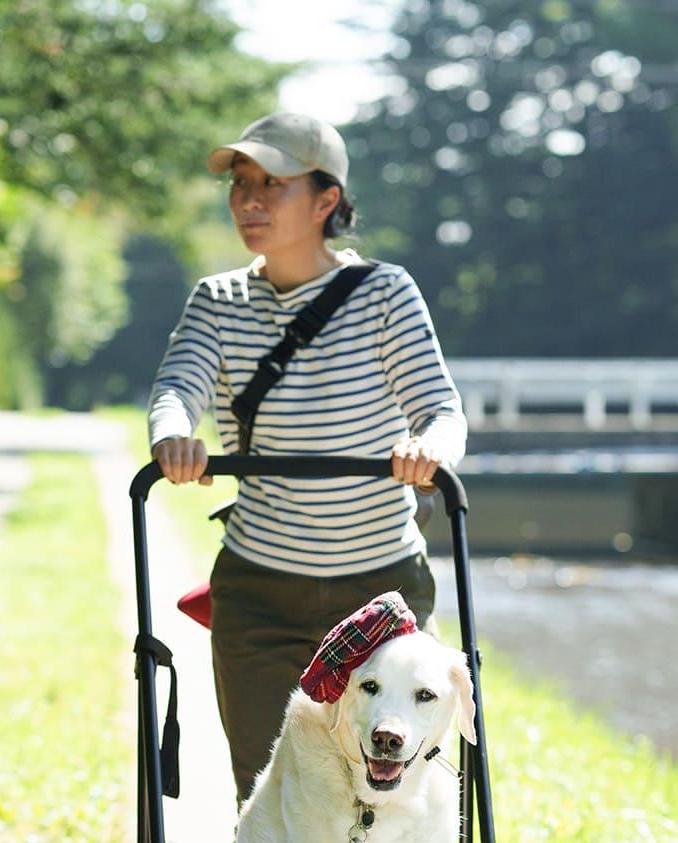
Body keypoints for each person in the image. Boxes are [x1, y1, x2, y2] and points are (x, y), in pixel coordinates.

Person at [147, 111, 469, 805]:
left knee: (393, 790)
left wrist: (428, 447)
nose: (250, 201)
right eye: (241, 184)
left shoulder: (385, 294)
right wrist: (173, 438)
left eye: (274, 184)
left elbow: (441, 409)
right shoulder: (218, 301)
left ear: (327, 201)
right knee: (270, 793)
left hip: (380, 592)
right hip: (260, 588)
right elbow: (178, 390)